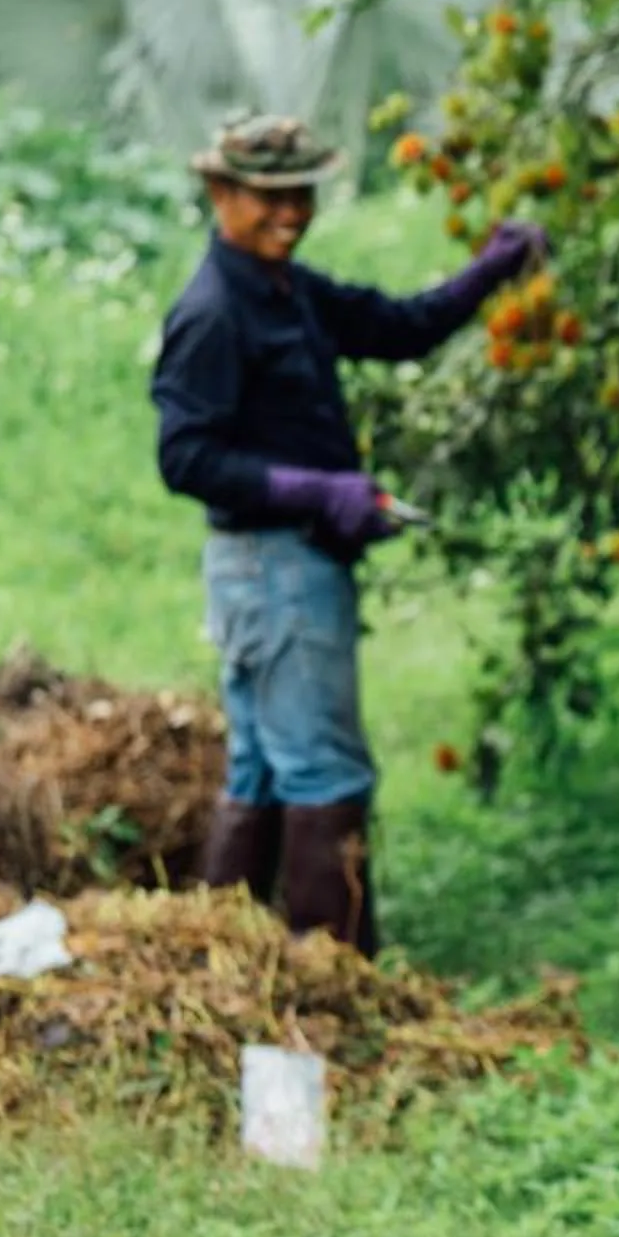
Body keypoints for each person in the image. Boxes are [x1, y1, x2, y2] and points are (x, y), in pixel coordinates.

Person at [150, 113, 546, 955]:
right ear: (221, 194)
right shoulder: (217, 311)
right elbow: (185, 457)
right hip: (273, 568)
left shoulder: (287, 289)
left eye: (302, 193)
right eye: (268, 196)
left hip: (279, 570)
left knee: (261, 771)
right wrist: (316, 490)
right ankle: (336, 991)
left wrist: (492, 269)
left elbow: (399, 329)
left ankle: (215, 963)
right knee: (327, 776)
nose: (290, 211)